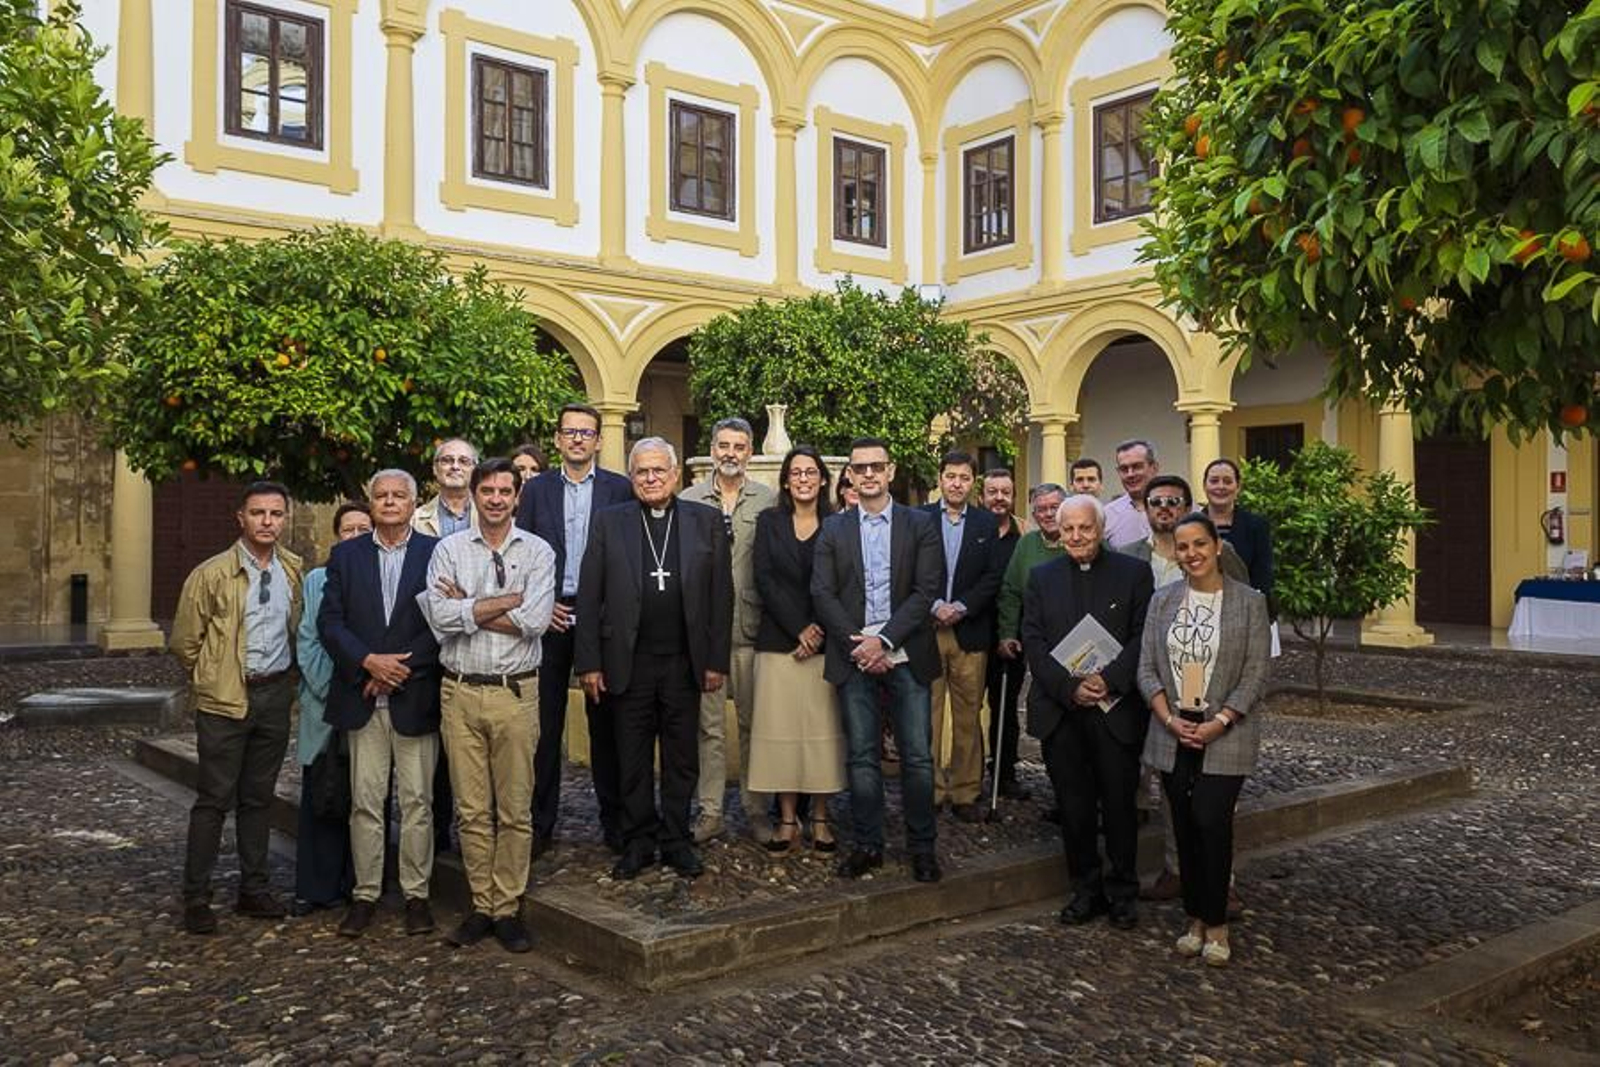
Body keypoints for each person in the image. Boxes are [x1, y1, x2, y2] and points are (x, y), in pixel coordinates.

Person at [575, 438, 733, 880]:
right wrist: (589, 662)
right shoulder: (610, 522)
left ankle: (677, 839)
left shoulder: (705, 521)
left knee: (683, 757)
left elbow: (722, 597)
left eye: (658, 471)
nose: (650, 479)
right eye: (642, 472)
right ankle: (638, 840)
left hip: (685, 661)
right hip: (629, 662)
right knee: (632, 755)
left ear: (676, 474)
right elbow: (590, 596)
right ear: (631, 477)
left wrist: (716, 660)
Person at [420, 458, 556, 953]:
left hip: (516, 692)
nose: (496, 498)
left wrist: (470, 605)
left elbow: (538, 620)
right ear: (474, 495)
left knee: (516, 809)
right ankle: (481, 906)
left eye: (505, 490)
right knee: (472, 810)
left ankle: (508, 907)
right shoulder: (448, 550)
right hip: (459, 691)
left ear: (517, 496)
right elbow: (438, 615)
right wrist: (505, 601)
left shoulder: (538, 551)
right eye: (488, 490)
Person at [170, 481, 303, 935]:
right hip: (226, 698)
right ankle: (197, 896)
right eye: (258, 513)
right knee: (213, 798)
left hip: (274, 695)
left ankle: (254, 888)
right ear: (240, 518)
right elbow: (185, 642)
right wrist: (213, 677)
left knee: (258, 798)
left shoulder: (294, 570)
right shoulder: (211, 574)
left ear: (285, 519)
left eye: (276, 514)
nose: (268, 522)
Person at [1138, 512, 1271, 966]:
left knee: (1212, 822)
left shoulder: (1250, 602)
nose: (1191, 553)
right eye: (1182, 547)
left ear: (1217, 547)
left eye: (1199, 544)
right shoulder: (1162, 601)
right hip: (1172, 731)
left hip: (1225, 734)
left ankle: (1217, 925)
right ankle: (1193, 917)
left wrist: (1222, 720)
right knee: (1183, 828)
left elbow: (1256, 672)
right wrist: (1168, 718)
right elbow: (1146, 668)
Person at [811, 437, 945, 883]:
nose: (868, 474)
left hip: (906, 650)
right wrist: (861, 644)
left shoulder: (919, 524)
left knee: (917, 756)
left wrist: (884, 641)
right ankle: (868, 844)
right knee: (863, 756)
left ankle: (923, 848)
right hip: (854, 655)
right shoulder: (833, 529)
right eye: (860, 468)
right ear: (849, 475)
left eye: (876, 467)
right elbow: (822, 592)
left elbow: (927, 589)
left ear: (890, 472)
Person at [1023, 494, 1154, 930]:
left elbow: (1142, 636)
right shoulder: (1041, 577)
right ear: (1058, 533)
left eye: (1086, 528)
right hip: (1063, 712)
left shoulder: (1134, 574)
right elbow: (1034, 641)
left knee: (1119, 806)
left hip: (1114, 709)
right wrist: (1069, 687)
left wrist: (1108, 680)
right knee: (1074, 807)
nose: (1077, 536)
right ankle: (1085, 890)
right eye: (1069, 529)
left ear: (1100, 530)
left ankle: (1123, 892)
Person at [319, 470, 442, 938]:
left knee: (418, 803)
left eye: (399, 496)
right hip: (362, 697)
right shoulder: (345, 556)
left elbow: (440, 625)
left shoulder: (436, 555)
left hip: (414, 696)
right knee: (366, 803)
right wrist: (368, 663)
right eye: (381, 496)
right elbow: (331, 623)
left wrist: (398, 670)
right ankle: (365, 895)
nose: (390, 502)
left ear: (414, 503)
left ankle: (417, 895)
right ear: (370, 504)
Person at [1115, 473, 1247, 904]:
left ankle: (1217, 883)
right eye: (1156, 502)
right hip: (1149, 688)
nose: (1165, 508)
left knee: (1210, 798)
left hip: (1209, 695)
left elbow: (1247, 623)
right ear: (1146, 509)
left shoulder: (1225, 558)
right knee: (1162, 787)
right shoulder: (1130, 558)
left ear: (1189, 505)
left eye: (1174, 501)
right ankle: (1175, 868)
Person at [514, 403, 635, 857]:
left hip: (602, 617)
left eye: (587, 432)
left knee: (606, 726)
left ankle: (615, 822)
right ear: (559, 440)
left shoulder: (620, 490)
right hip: (549, 617)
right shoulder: (537, 491)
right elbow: (520, 554)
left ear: (599, 440)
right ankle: (540, 824)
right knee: (544, 729)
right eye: (571, 432)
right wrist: (539, 609)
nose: (579, 439)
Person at [680, 417, 777, 844]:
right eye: (723, 445)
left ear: (750, 452)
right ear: (712, 448)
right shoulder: (690, 499)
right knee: (709, 727)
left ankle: (758, 810)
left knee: (757, 725)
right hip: (705, 636)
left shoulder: (768, 501)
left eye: (739, 446)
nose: (730, 453)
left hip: (752, 631)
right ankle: (711, 811)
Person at [747, 446, 845, 853]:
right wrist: (798, 629)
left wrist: (819, 630)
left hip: (826, 645)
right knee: (781, 735)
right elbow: (764, 579)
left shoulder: (839, 525)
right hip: (778, 643)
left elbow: (843, 582)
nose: (803, 479)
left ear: (823, 480)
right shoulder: (769, 522)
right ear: (785, 481)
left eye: (811, 472)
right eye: (796, 472)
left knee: (822, 735)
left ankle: (820, 818)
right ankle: (787, 819)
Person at [292, 501, 371, 918]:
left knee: (364, 796)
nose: (356, 537)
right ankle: (316, 887)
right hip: (326, 704)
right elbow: (309, 641)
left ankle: (359, 883)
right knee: (321, 794)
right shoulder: (318, 579)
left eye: (364, 529)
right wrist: (336, 690)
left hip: (370, 701)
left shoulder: (379, 575)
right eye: (349, 530)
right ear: (336, 536)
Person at [920, 451, 1001, 821]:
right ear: (940, 480)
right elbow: (910, 570)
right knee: (928, 715)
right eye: (950, 476)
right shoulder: (919, 519)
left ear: (973, 483)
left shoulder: (986, 524)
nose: (956, 484)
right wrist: (935, 605)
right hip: (929, 629)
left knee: (969, 714)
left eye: (964, 478)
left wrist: (962, 607)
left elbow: (992, 577)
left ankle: (966, 791)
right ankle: (932, 790)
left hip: (970, 630)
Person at [979, 469, 1028, 799]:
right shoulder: (973, 532)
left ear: (1013, 496)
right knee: (968, 711)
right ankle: (966, 774)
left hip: (1009, 636)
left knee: (1006, 709)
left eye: (1005, 492)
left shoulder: (1023, 536)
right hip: (973, 633)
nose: (999, 498)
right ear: (981, 496)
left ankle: (1004, 771)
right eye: (992, 491)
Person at [994, 482, 1069, 663]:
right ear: (1034, 515)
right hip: (1038, 640)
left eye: (1054, 508)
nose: (1049, 514)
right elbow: (1010, 592)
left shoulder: (1081, 540)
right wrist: (1007, 634)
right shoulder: (1026, 544)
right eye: (1042, 509)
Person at [1201, 459, 1275, 601]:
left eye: (1227, 481)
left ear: (1238, 487)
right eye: (1214, 481)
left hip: (1244, 606)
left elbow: (1263, 576)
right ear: (1204, 486)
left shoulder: (1256, 526)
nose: (1220, 486)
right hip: (1200, 606)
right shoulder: (1192, 525)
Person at [414, 438, 479, 537]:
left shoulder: (490, 516)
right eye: (447, 460)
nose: (455, 467)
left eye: (463, 461)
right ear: (435, 469)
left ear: (475, 470)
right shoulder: (415, 520)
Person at [1104, 439, 1158, 546]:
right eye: (1124, 469)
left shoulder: (1177, 507)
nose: (1130, 474)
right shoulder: (1107, 515)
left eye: (1137, 467)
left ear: (1154, 468)